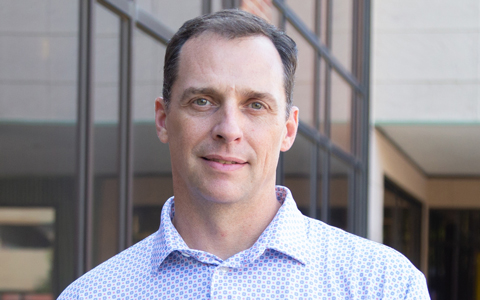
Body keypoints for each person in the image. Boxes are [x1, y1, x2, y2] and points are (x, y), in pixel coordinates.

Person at [58, 9, 430, 299]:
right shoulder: (92, 295)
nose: (229, 129)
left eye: (255, 105)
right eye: (202, 101)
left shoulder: (381, 286)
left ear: (288, 129)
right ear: (163, 119)